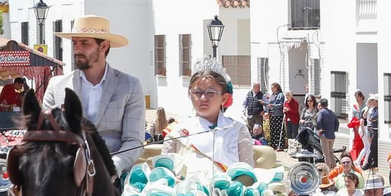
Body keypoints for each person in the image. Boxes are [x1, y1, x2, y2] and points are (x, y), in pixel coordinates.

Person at [42, 16, 146, 175]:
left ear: (104, 45)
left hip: (114, 179)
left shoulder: (130, 85)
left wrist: (112, 167)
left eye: (85, 43)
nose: (77, 49)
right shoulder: (56, 86)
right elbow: (46, 136)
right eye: (74, 43)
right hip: (66, 177)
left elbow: (134, 141)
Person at [159, 59, 248, 173]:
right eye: (197, 93)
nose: (203, 98)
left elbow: (247, 175)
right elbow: (163, 172)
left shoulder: (238, 130)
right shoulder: (177, 130)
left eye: (210, 93)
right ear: (189, 95)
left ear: (224, 98)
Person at [315, 95, 340, 167]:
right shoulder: (332, 112)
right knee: (331, 152)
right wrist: (334, 130)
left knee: (326, 154)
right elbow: (337, 123)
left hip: (324, 135)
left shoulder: (321, 112)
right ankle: (335, 168)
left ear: (321, 105)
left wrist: (319, 129)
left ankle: (327, 169)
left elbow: (319, 121)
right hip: (332, 135)